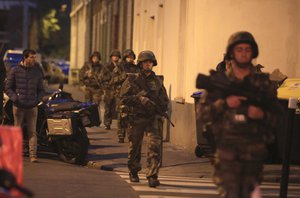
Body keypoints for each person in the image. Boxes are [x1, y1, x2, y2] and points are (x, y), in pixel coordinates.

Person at [198, 31, 278, 197]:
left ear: (253, 52)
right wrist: (224, 103)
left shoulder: (263, 84)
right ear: (232, 53)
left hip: (253, 156)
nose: (243, 53)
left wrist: (261, 115)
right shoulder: (220, 82)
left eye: (247, 49)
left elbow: (277, 118)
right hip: (227, 155)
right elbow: (203, 115)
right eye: (239, 49)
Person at [120, 50, 169, 187]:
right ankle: (133, 170)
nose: (148, 64)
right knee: (135, 146)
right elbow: (123, 98)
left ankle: (152, 175)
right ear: (140, 64)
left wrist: (161, 107)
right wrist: (140, 99)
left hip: (153, 117)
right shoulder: (132, 79)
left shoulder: (158, 81)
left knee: (155, 146)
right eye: (146, 62)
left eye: (150, 62)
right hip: (137, 117)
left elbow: (164, 99)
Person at [5, 49, 45, 163]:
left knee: (32, 131)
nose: (34, 59)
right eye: (31, 57)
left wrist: (37, 101)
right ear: (25, 58)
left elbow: (41, 90)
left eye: (34, 57)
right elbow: (8, 88)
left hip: (32, 106)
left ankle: (33, 156)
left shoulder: (37, 72)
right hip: (18, 106)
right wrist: (15, 98)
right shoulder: (15, 70)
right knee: (17, 130)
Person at [79, 51, 110, 125]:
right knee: (87, 104)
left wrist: (101, 79)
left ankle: (95, 120)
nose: (95, 59)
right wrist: (86, 75)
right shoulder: (87, 66)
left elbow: (107, 77)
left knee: (95, 105)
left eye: (97, 58)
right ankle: (87, 120)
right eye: (94, 58)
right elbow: (81, 75)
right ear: (91, 58)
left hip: (97, 89)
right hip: (88, 87)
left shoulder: (102, 68)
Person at [103, 49, 122, 130]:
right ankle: (107, 123)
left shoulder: (121, 66)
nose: (115, 58)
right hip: (109, 89)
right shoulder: (107, 66)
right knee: (108, 107)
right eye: (114, 56)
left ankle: (120, 125)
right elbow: (103, 77)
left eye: (117, 56)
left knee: (119, 108)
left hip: (118, 89)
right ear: (111, 57)